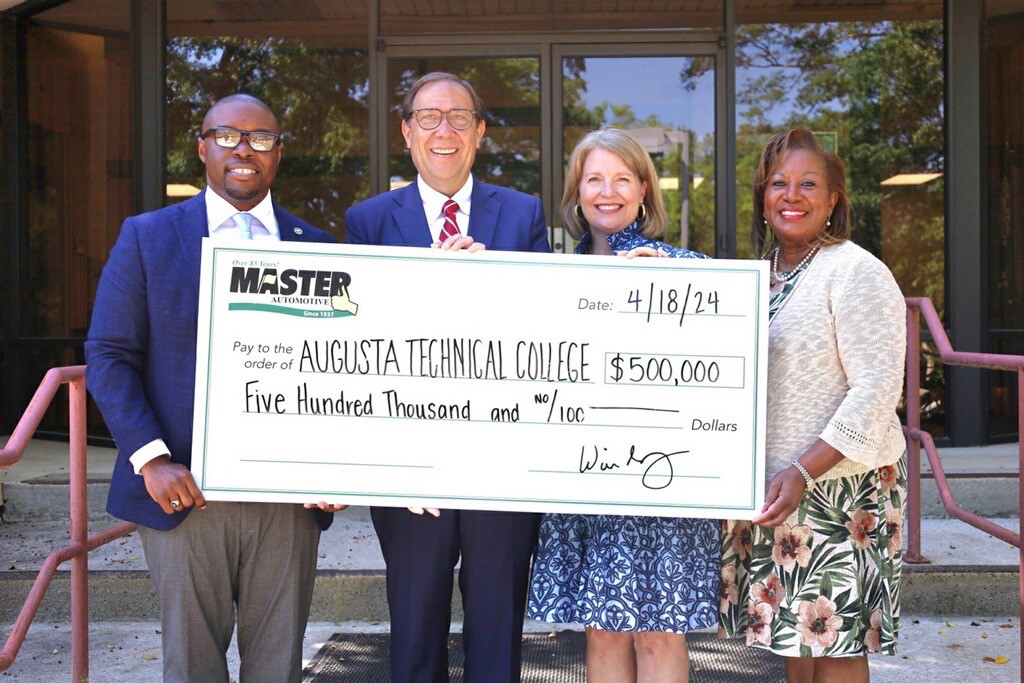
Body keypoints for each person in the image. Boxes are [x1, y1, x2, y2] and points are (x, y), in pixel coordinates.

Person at [86, 94, 337, 683]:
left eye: (261, 139)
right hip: (183, 490)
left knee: (278, 665)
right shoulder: (148, 236)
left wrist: (337, 464)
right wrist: (150, 459)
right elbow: (109, 355)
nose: (243, 150)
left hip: (288, 499)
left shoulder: (318, 247)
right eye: (227, 136)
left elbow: (339, 367)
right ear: (203, 148)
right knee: (193, 664)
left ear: (279, 153)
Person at [344, 72, 550, 682]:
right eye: (428, 118)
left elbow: (548, 322)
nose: (444, 130)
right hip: (410, 462)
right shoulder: (369, 220)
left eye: (459, 118)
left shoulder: (521, 212)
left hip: (501, 458)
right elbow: (353, 343)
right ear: (406, 132)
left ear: (480, 133)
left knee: (497, 624)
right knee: (414, 624)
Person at [527, 128, 720, 683]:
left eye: (621, 178)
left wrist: (677, 299)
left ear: (643, 189)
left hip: (665, 476)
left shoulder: (691, 269)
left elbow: (723, 366)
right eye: (594, 178)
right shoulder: (550, 276)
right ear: (577, 192)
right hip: (583, 476)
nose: (607, 191)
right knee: (602, 628)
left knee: (661, 631)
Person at [718, 128, 906, 683]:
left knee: (837, 644)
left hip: (840, 489)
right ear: (762, 197)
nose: (791, 195)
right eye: (779, 183)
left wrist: (803, 470)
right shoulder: (759, 277)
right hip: (777, 490)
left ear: (832, 201)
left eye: (808, 184)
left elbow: (875, 390)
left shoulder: (856, 271)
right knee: (795, 644)